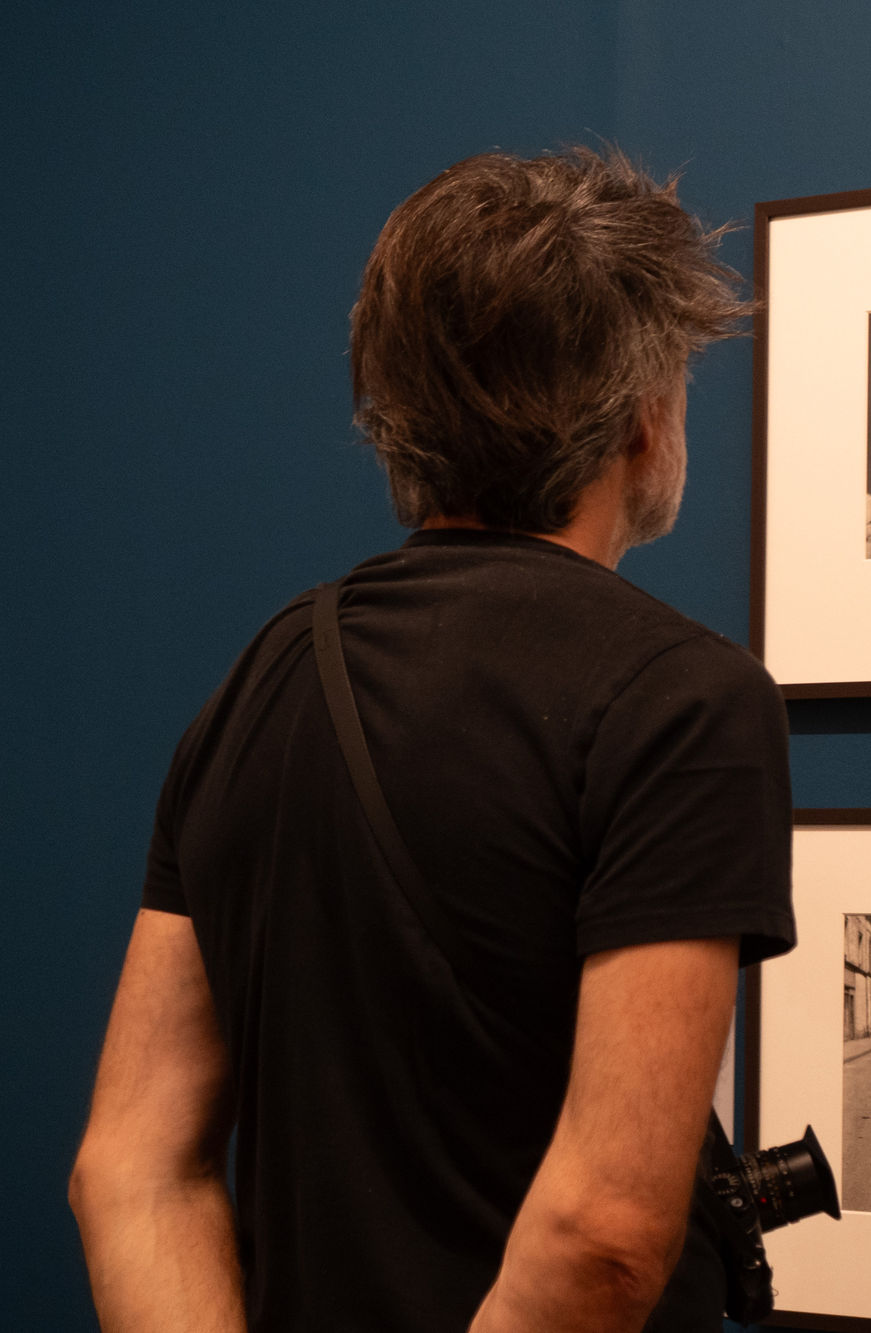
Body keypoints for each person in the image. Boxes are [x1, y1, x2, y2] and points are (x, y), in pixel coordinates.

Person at [67, 147, 797, 1333]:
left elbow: (132, 1168)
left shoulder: (266, 675)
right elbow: (605, 1235)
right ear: (642, 416)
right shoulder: (684, 698)